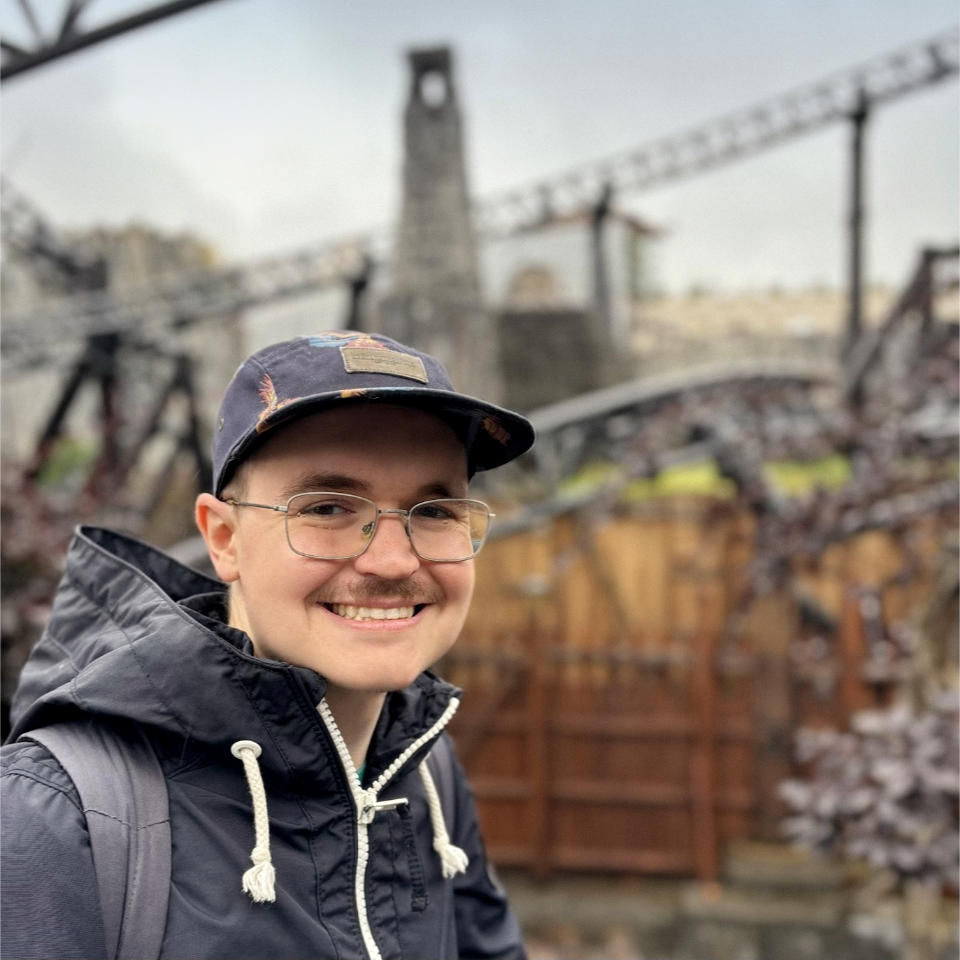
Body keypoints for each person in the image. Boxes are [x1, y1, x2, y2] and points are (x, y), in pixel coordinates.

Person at [1, 331, 534, 960]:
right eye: (328, 508)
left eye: (436, 511)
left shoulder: (423, 766)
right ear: (224, 539)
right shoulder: (58, 814)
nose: (393, 561)